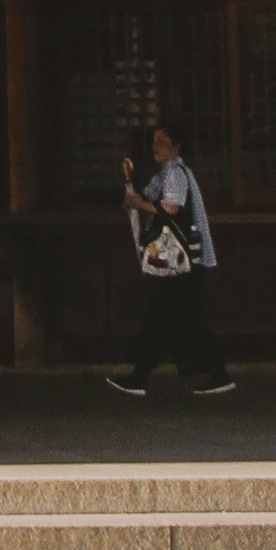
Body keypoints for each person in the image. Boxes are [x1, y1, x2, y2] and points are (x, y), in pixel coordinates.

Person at [105, 122, 234, 403]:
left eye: (162, 141)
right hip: (177, 263)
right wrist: (135, 200)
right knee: (178, 317)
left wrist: (138, 204)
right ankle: (214, 373)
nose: (155, 147)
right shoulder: (164, 175)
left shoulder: (176, 174)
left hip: (181, 262)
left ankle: (141, 376)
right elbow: (149, 197)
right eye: (154, 141)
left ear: (176, 147)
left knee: (165, 315)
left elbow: (171, 208)